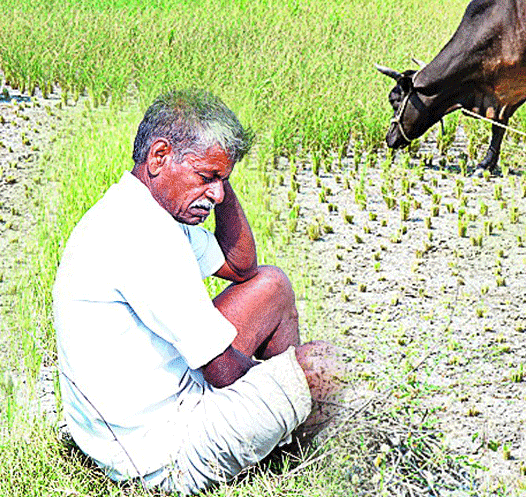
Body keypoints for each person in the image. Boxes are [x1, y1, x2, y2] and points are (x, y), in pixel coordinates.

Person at [53, 89, 340, 494]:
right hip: (159, 454)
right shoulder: (141, 236)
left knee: (271, 285)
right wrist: (284, 378)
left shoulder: (149, 211)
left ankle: (286, 438)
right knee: (320, 364)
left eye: (224, 180)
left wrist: (218, 176)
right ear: (158, 157)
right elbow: (221, 372)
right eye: (206, 177)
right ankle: (298, 446)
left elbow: (241, 267)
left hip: (155, 410)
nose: (218, 194)